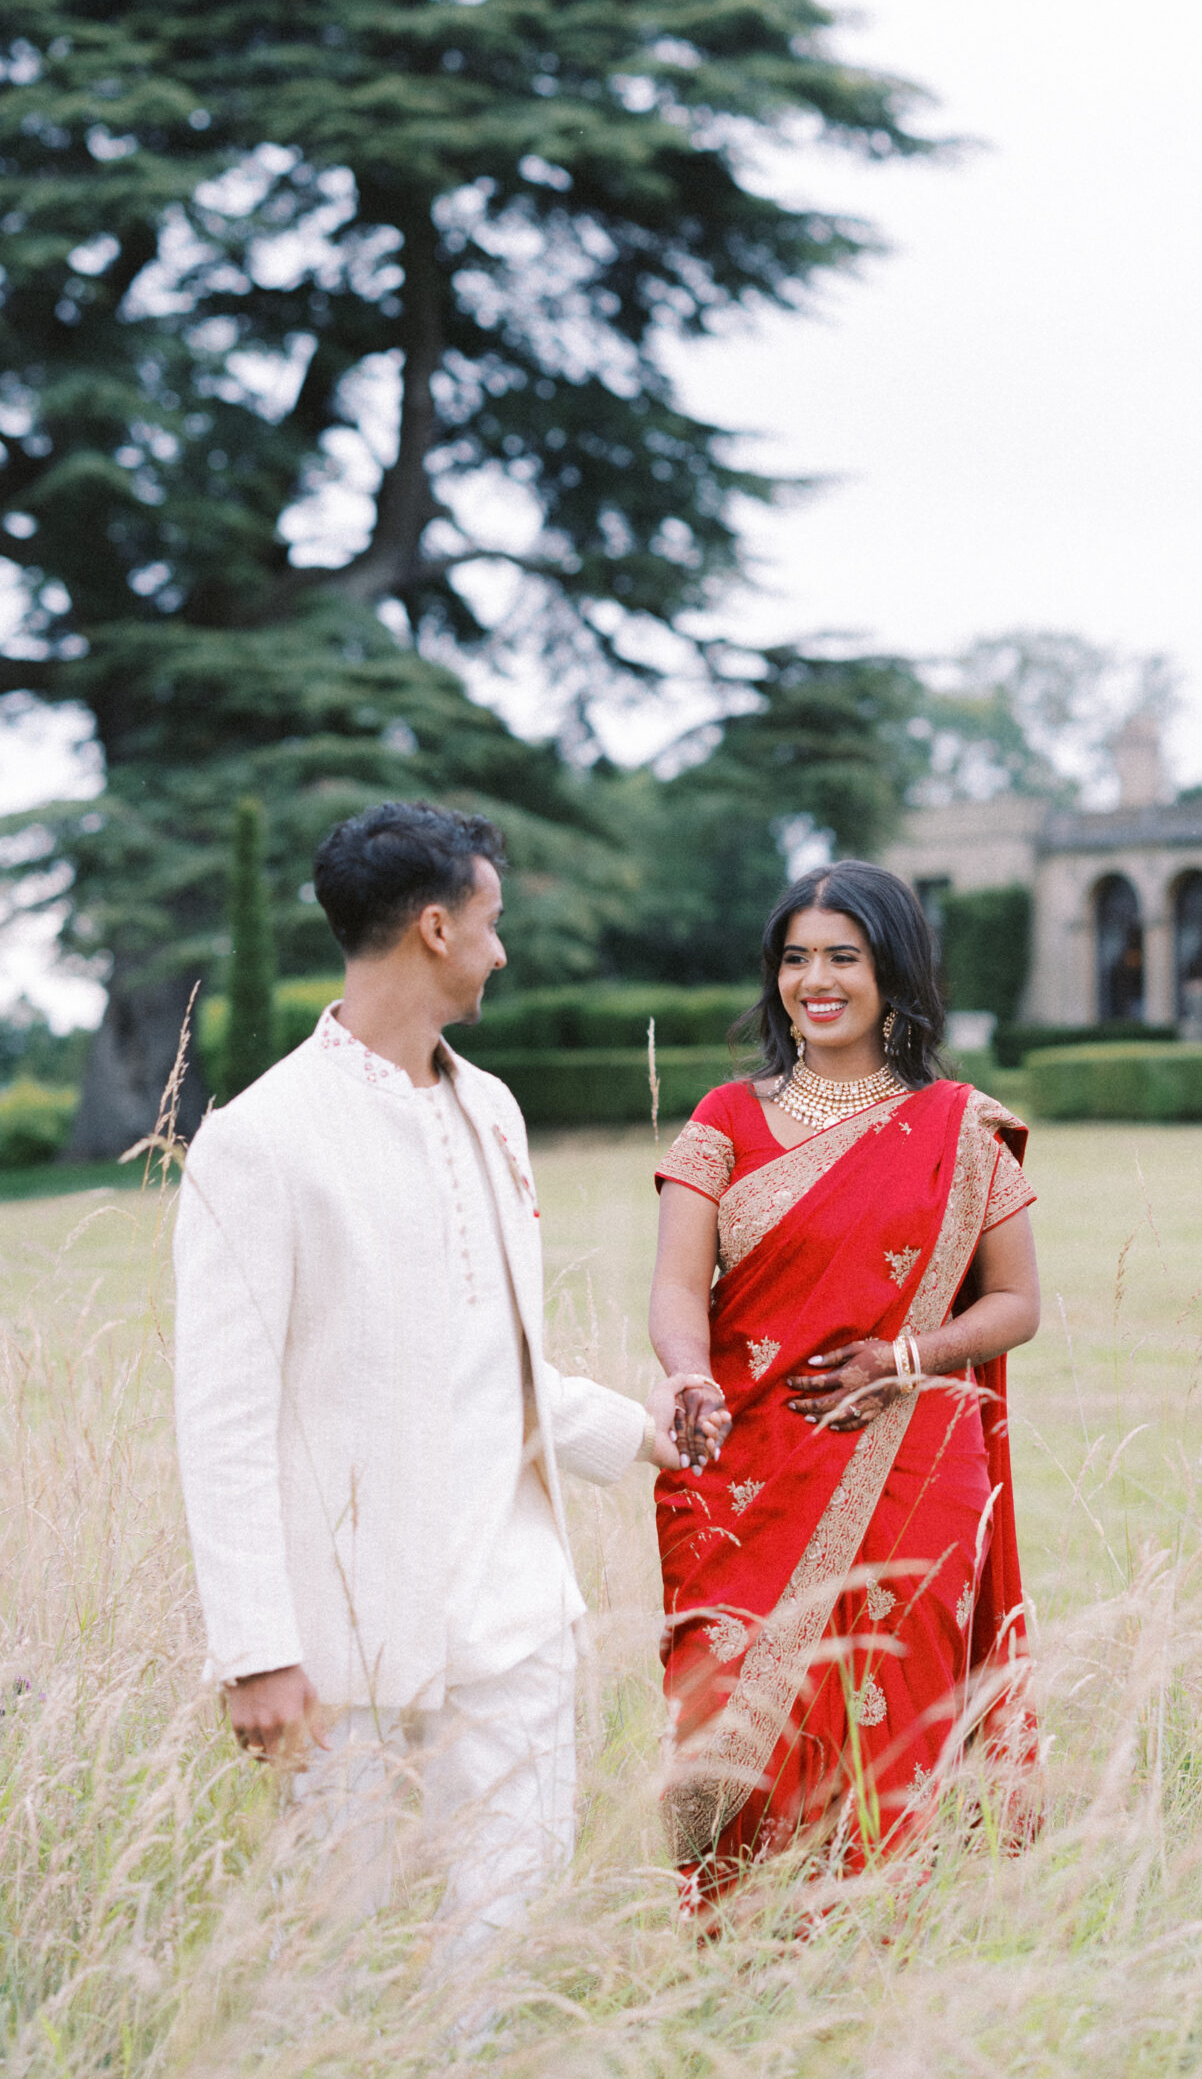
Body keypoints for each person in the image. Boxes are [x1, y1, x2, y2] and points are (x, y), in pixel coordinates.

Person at [173, 800, 721, 1955]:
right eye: (490, 920)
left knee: (504, 1943)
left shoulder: (494, 1109)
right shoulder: (258, 1138)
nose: (502, 948)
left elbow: (495, 1356)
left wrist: (645, 1430)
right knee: (338, 1966)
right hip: (353, 1640)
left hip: (519, 1612)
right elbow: (219, 1420)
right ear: (433, 927)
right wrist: (256, 1650)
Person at [649, 860, 1041, 1897]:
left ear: (892, 970)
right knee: (726, 1715)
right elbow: (678, 1289)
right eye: (793, 958)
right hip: (744, 1463)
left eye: (841, 956)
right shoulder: (725, 1118)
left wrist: (906, 1357)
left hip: (912, 1466)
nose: (812, 980)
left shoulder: (959, 1127)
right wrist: (687, 1376)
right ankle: (737, 1963)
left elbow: (1016, 1303)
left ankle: (874, 1950)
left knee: (887, 1717)